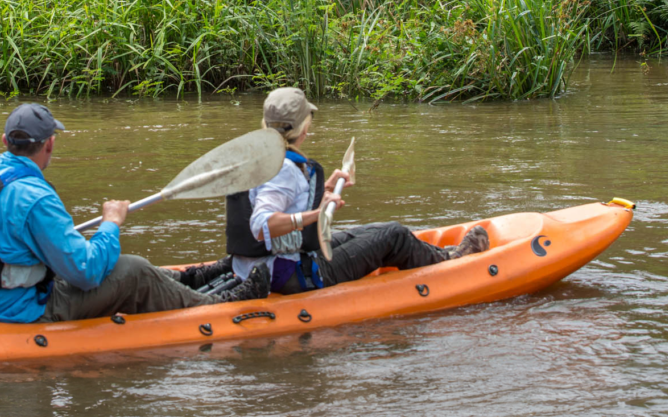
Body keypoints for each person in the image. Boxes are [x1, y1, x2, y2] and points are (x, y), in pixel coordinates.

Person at [0, 103, 270, 323]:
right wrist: (111, 225)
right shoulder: (35, 197)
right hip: (18, 310)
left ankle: (190, 278)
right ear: (50, 143)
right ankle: (217, 305)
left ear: (5, 142)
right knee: (132, 271)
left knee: (109, 261)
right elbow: (86, 273)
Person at [177, 87, 489, 294]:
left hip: (261, 265)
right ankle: (452, 263)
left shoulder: (262, 158)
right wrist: (315, 213)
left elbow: (273, 197)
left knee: (372, 232)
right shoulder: (284, 169)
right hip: (290, 275)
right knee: (392, 234)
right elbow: (262, 223)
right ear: (303, 127)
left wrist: (322, 190)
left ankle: (441, 254)